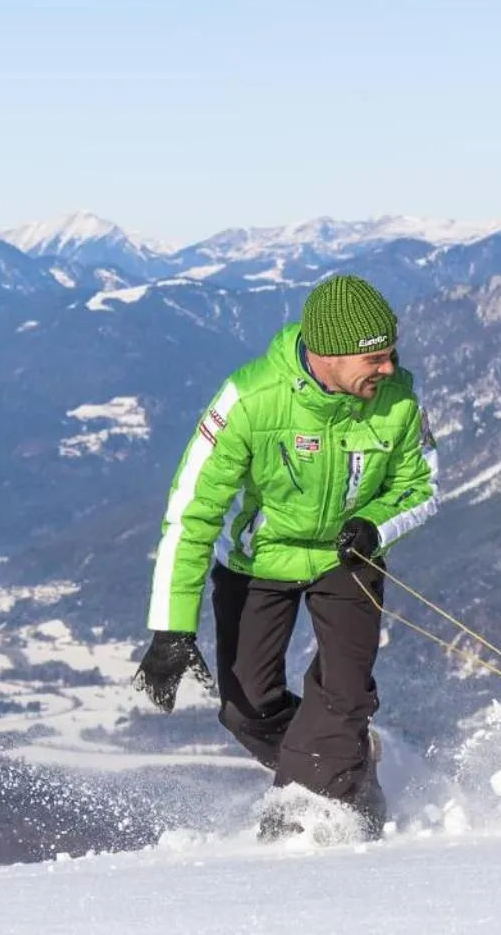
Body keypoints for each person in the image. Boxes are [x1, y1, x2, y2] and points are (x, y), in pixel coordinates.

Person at [131, 273, 441, 841]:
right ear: (328, 354)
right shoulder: (248, 400)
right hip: (257, 560)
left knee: (343, 694)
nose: (389, 369)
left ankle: (305, 812)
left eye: (391, 354)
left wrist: (373, 527)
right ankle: (349, 760)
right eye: (375, 358)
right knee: (245, 707)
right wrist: (170, 630)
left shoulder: (400, 401)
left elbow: (421, 489)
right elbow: (191, 510)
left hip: (349, 558)